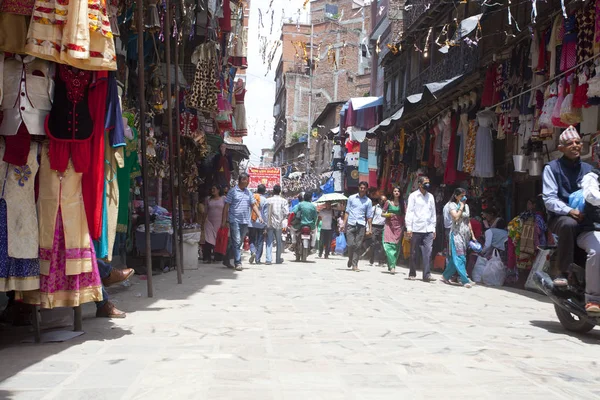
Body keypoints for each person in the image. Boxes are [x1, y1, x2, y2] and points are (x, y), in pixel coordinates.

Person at [543, 125, 592, 286]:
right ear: (561, 148)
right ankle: (563, 271)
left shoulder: (589, 170)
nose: (575, 146)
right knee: (569, 224)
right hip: (560, 218)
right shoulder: (552, 168)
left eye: (577, 142)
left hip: (586, 217)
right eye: (570, 143)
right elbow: (549, 199)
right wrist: (570, 210)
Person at [222, 173, 264, 271]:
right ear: (242, 180)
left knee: (238, 241)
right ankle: (238, 262)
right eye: (247, 180)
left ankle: (226, 258)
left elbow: (253, 205)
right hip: (234, 220)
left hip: (245, 221)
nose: (248, 182)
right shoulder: (232, 192)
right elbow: (226, 206)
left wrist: (259, 216)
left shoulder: (249, 193)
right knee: (237, 241)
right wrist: (224, 220)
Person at [441, 188, 477, 288]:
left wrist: (472, 234)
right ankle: (464, 280)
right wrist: (461, 206)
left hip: (465, 235)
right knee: (461, 257)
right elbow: (456, 217)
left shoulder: (467, 206)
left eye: (465, 195)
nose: (464, 198)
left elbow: (467, 220)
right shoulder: (451, 205)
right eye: (461, 196)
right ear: (456, 196)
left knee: (455, 258)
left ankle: (445, 276)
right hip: (456, 235)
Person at [577, 167, 600, 314]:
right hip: (592, 231)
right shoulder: (592, 177)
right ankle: (594, 299)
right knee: (598, 250)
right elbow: (592, 195)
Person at [405, 176, 437, 281]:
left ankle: (427, 274)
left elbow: (433, 213)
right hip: (416, 228)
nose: (427, 184)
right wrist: (409, 227)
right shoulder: (413, 196)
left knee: (428, 252)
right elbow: (409, 211)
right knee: (413, 252)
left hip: (428, 229)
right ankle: (412, 273)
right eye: (425, 183)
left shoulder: (431, 197)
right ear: (420, 184)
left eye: (428, 182)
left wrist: (434, 228)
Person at [343, 181, 373, 271]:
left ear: (366, 189)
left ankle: (354, 264)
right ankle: (350, 258)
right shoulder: (351, 198)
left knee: (358, 245)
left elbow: (369, 216)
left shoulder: (368, 201)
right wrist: (343, 224)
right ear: (358, 188)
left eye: (364, 188)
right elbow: (347, 211)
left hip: (361, 225)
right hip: (351, 224)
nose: (362, 189)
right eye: (361, 187)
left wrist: (370, 228)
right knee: (350, 244)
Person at [382, 188, 404, 274]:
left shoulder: (403, 203)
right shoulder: (388, 202)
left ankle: (392, 264)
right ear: (392, 192)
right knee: (387, 245)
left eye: (398, 191)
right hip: (389, 226)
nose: (396, 192)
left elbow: (404, 215)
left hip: (399, 227)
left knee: (396, 247)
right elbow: (382, 213)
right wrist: (388, 214)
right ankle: (392, 266)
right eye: (395, 191)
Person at [265, 184, 288, 265]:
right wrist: (281, 218)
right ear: (280, 191)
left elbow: (266, 212)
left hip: (270, 223)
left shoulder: (268, 200)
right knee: (279, 241)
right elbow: (286, 212)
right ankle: (278, 259)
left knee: (269, 241)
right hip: (279, 224)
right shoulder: (284, 201)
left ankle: (268, 259)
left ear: (273, 191)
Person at [202, 185, 225, 263]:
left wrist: (225, 222)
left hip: (220, 223)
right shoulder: (208, 199)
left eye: (214, 189)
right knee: (208, 240)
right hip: (209, 222)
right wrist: (203, 222)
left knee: (218, 240)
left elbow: (226, 211)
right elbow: (205, 211)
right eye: (211, 188)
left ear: (218, 190)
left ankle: (217, 257)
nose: (212, 190)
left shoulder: (224, 199)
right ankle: (207, 257)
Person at [249, 184, 268, 264]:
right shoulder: (265, 200)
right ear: (264, 191)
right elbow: (266, 213)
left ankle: (253, 250)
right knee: (260, 241)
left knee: (252, 239)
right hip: (261, 223)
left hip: (252, 222)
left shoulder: (252, 197)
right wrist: (266, 224)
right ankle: (257, 259)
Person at [367, 196, 387, 266]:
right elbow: (370, 218)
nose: (383, 201)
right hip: (374, 227)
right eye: (382, 200)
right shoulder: (374, 208)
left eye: (384, 200)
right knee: (373, 243)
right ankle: (371, 259)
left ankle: (381, 261)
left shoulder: (387, 209)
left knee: (382, 245)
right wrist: (368, 228)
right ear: (379, 200)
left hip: (383, 227)